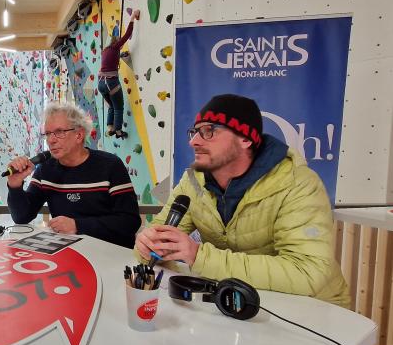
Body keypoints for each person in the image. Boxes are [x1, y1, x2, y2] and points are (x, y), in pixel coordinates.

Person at [134, 94, 349, 307]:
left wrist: (200, 256)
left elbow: (308, 272)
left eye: (209, 131)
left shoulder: (298, 182)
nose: (194, 141)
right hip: (239, 303)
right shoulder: (193, 180)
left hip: (314, 312)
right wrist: (146, 246)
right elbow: (159, 235)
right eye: (194, 132)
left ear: (246, 138)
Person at [6, 102, 141, 248]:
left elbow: (130, 221)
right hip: (68, 254)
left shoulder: (110, 165)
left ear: (79, 135)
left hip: (111, 254)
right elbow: (22, 217)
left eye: (59, 132)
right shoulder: (46, 169)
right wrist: (15, 185)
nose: (51, 140)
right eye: (48, 133)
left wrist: (78, 225)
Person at [97, 9, 140, 139]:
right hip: (111, 82)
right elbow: (127, 34)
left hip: (101, 84)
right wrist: (132, 17)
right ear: (117, 42)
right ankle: (119, 131)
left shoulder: (105, 50)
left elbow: (110, 61)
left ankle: (110, 128)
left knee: (111, 105)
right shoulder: (116, 47)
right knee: (118, 107)